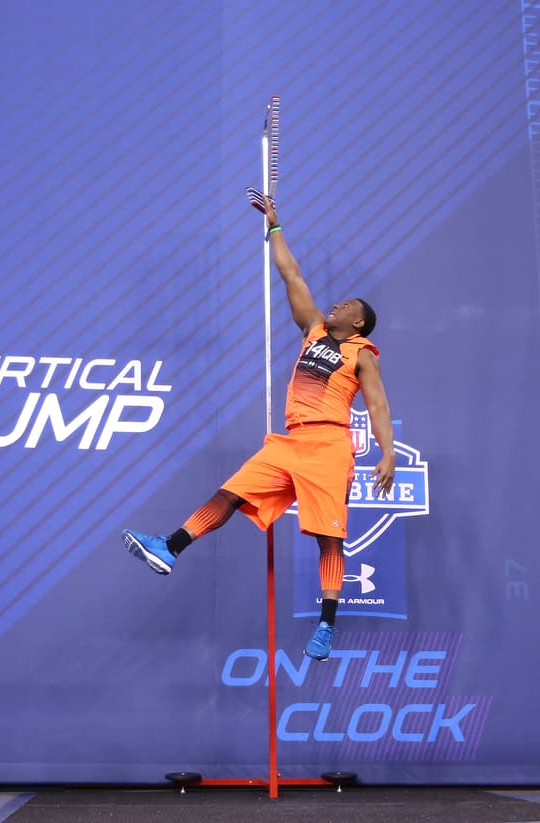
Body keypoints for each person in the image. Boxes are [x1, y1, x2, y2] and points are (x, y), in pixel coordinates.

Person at [122, 194, 396, 661]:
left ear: (360, 323)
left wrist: (387, 453)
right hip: (291, 442)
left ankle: (326, 627)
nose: (336, 303)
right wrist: (274, 226)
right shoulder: (312, 330)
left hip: (330, 447)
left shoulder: (361, 354)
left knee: (329, 538)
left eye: (347, 304)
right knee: (230, 491)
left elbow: (378, 406)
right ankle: (170, 547)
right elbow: (291, 274)